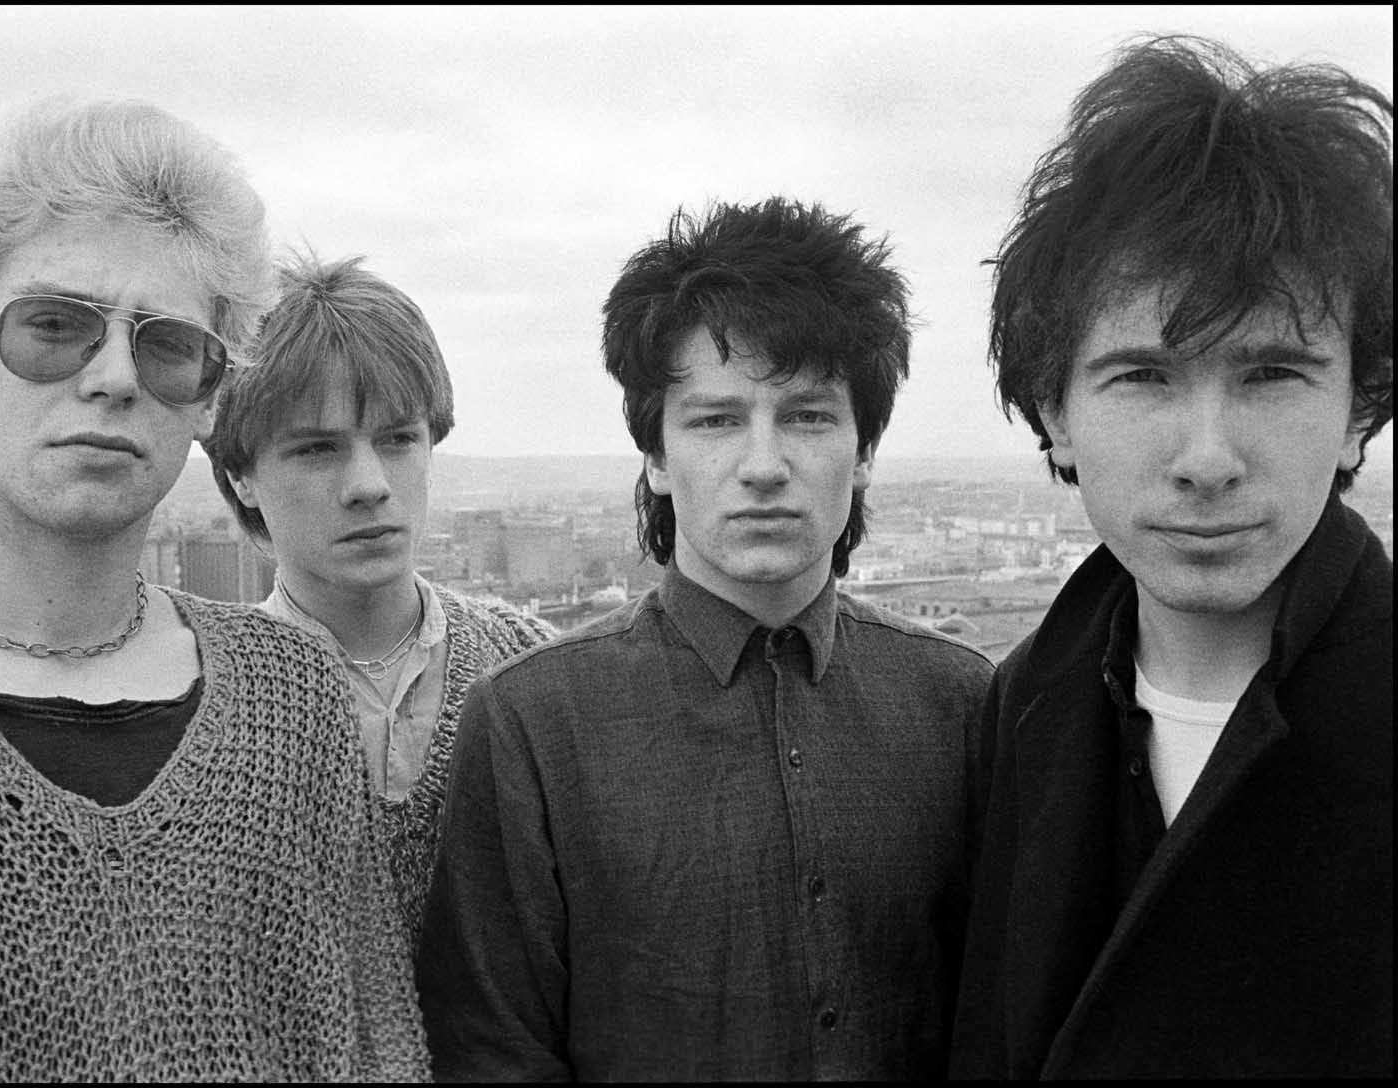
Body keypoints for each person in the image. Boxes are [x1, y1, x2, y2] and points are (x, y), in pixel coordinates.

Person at [0, 98, 427, 1081]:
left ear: (208, 394)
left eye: (166, 344)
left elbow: (378, 1049)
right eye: (56, 326)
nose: (114, 376)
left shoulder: (296, 698)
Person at [415, 197, 995, 1080]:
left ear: (864, 448)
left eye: (806, 416)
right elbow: (493, 1051)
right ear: (654, 454)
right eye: (715, 419)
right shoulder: (535, 723)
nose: (763, 466)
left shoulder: (960, 702)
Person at [950, 36, 1393, 1078]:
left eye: (1272, 372)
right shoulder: (1021, 707)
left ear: (1357, 408)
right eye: (1143, 375)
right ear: (1054, 411)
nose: (1207, 458)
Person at [204, 252, 553, 950]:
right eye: (316, 450)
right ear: (241, 475)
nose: (368, 484)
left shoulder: (535, 668)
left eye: (397, 440)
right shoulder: (198, 697)